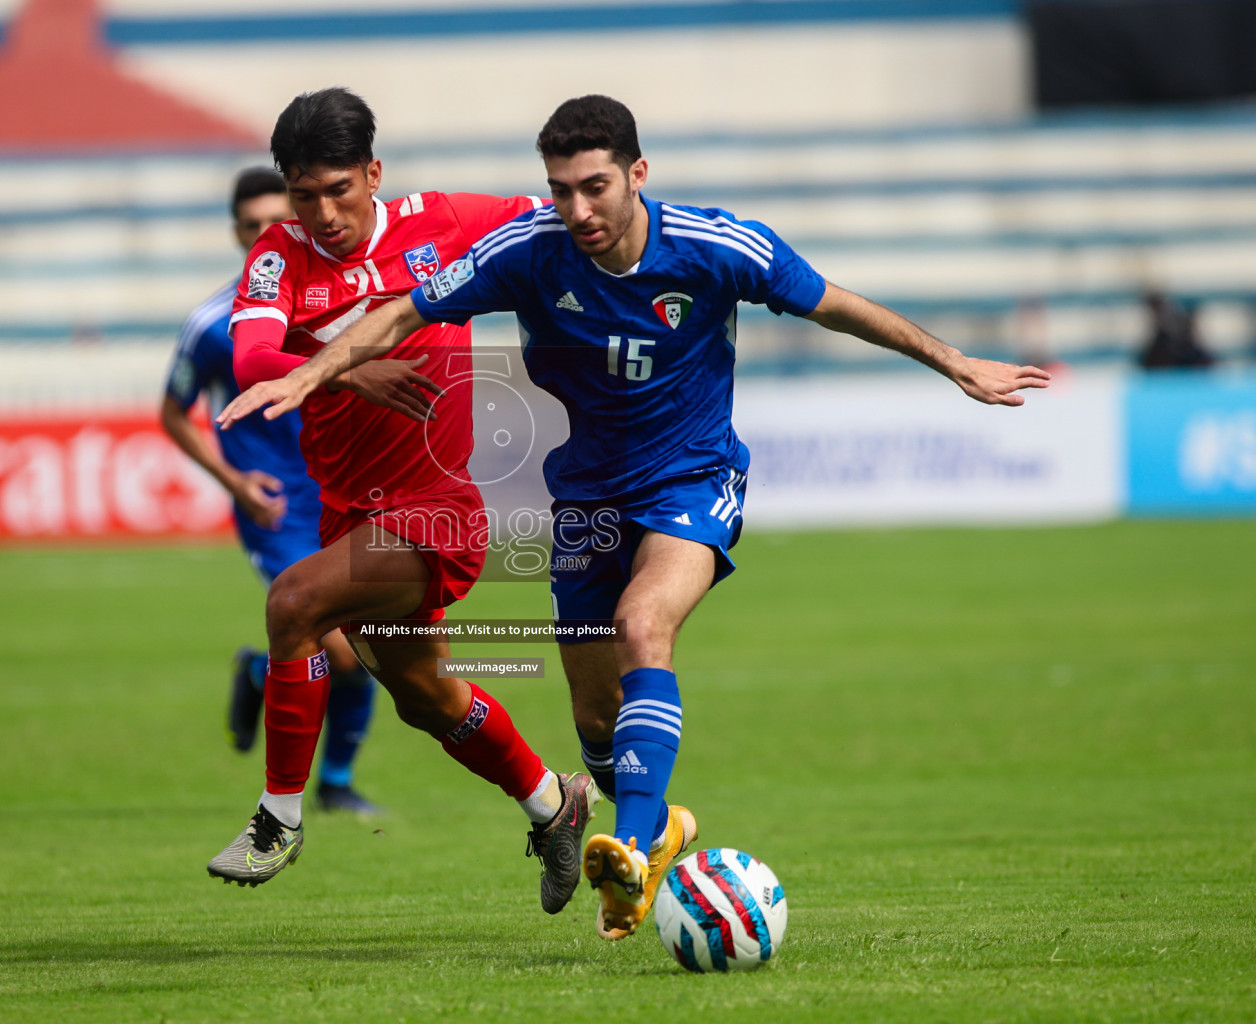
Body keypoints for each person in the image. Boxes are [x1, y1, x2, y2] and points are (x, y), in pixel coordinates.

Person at [224, 94, 1052, 939]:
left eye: (594, 187)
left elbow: (833, 302)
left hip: (689, 479)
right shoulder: (527, 251)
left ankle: (628, 849)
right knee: (590, 721)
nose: (578, 209)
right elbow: (405, 309)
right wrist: (317, 370)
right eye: (560, 190)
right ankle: (642, 824)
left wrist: (955, 363)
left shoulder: (717, 245)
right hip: (585, 496)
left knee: (642, 625)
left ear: (637, 175)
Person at [204, 88, 598, 913]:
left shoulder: (446, 222)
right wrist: (352, 364)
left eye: (339, 190)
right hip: (351, 511)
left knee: (293, 603)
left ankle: (279, 819)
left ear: (373, 173)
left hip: (437, 508)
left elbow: (565, 215)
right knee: (428, 698)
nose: (324, 213)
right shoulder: (279, 254)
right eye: (305, 195)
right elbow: (250, 360)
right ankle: (552, 805)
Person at [161, 167, 382, 814]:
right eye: (251, 225)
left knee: (370, 645)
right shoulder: (211, 325)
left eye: (273, 221)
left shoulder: (335, 302)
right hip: (277, 509)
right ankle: (334, 786)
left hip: (342, 496)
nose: (264, 234)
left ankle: (265, 673)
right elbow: (174, 413)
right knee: (341, 646)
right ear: (237, 233)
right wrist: (234, 482)